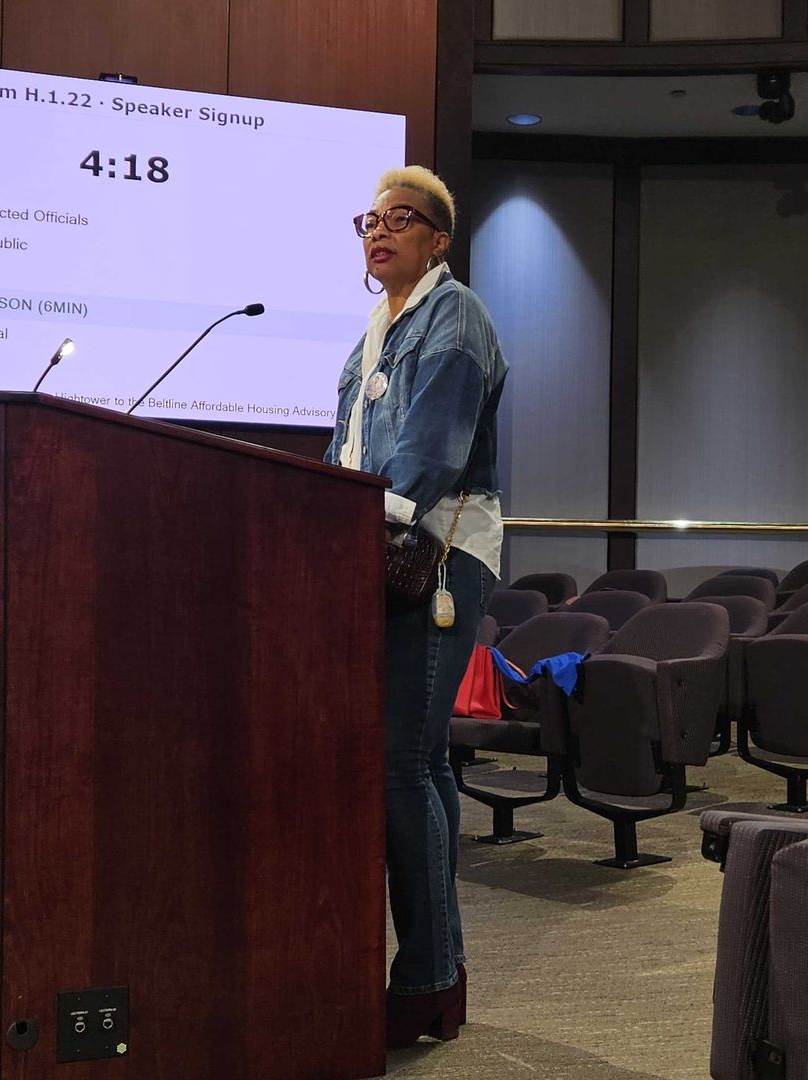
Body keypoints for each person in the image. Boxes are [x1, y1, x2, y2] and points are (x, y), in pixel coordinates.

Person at [323, 166, 508, 1048]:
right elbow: (343, 446)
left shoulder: (454, 313)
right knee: (418, 761)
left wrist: (354, 520)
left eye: (403, 219)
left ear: (439, 240)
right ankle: (439, 976)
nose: (380, 230)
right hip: (381, 550)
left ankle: (428, 975)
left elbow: (431, 450)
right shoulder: (371, 333)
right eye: (371, 219)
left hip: (434, 555)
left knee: (404, 760)